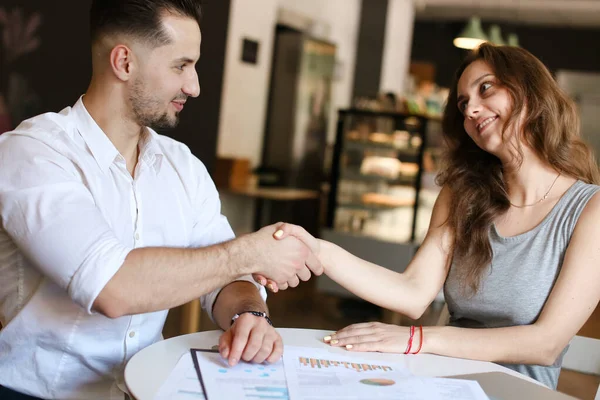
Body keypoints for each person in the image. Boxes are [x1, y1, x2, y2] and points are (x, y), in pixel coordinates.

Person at [0, 1, 322, 399]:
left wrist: (248, 314)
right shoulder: (32, 153)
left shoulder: (182, 166)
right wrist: (248, 253)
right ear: (124, 62)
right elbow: (112, 287)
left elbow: (226, 280)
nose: (194, 86)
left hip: (145, 390)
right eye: (180, 66)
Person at [268, 43, 600, 389]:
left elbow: (545, 344)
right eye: (462, 103)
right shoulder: (461, 196)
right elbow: (412, 292)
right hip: (437, 383)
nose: (471, 108)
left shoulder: (589, 210)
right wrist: (318, 251)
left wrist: (419, 339)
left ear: (529, 89)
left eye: (485, 88)